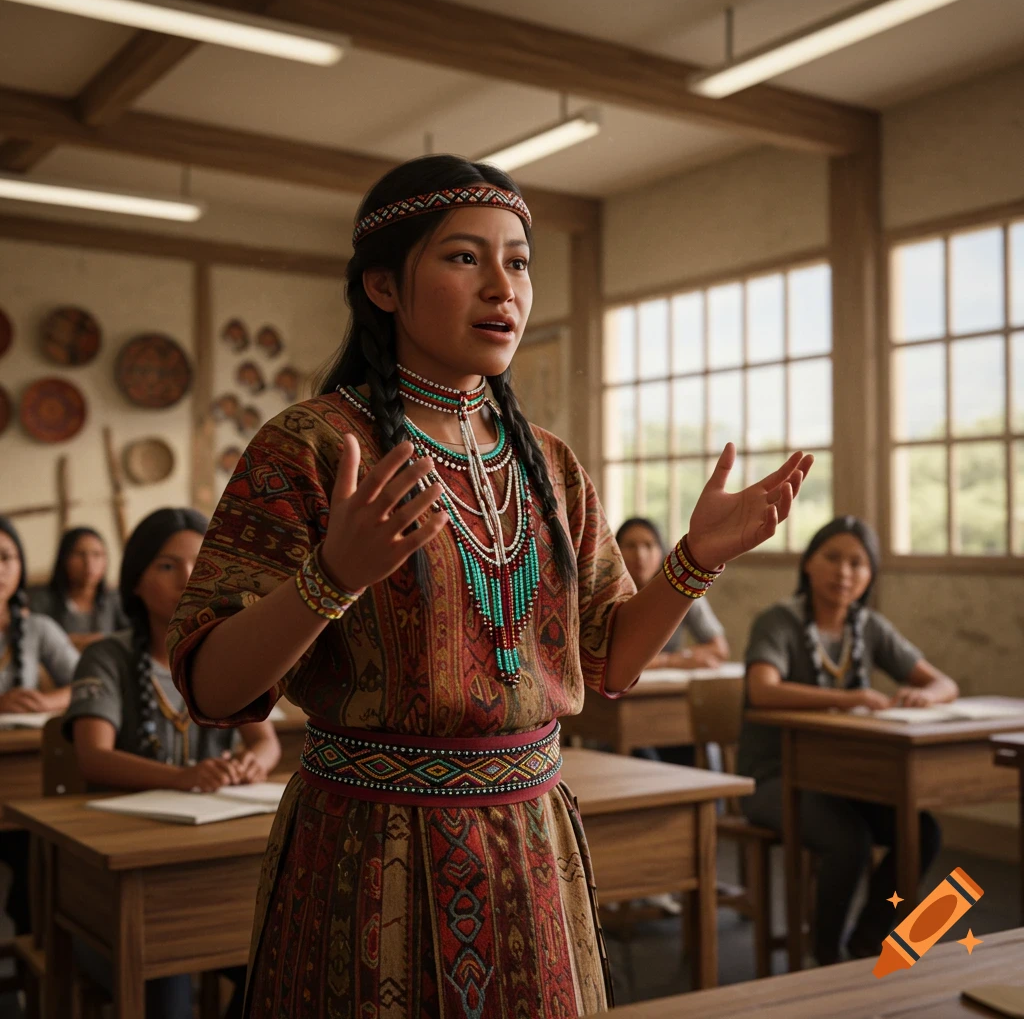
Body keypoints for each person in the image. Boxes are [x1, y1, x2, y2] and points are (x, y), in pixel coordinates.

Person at [167, 155, 813, 1018]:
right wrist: (332, 579)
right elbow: (212, 685)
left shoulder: (549, 462)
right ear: (384, 287)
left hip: (530, 845)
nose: (502, 286)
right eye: (464, 258)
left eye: (518, 261)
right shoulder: (313, 445)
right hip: (368, 849)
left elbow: (610, 661)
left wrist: (697, 559)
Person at [65, 508, 280, 1019]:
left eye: (198, 562)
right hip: (125, 869)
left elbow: (267, 744)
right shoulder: (106, 657)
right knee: (165, 979)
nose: (188, 577)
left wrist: (253, 762)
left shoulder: (224, 653)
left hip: (208, 859)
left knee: (272, 966)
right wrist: (183, 779)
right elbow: (92, 757)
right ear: (135, 579)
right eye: (166, 566)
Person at [737, 516, 959, 966]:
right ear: (807, 564)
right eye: (832, 558)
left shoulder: (869, 626)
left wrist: (924, 694)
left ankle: (869, 939)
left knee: (924, 831)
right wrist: (848, 697)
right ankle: (825, 956)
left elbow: (944, 683)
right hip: (772, 780)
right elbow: (763, 688)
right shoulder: (778, 620)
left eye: (858, 563)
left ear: (871, 575)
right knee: (848, 841)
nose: (844, 572)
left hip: (843, 780)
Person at [0, 515, 80, 937]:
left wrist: (47, 700)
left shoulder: (36, 628)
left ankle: (37, 952)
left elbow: (87, 681)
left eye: (6, 557)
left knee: (37, 863)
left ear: (20, 566)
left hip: (23, 779)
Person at [616, 517, 730, 669]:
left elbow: (719, 650)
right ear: (615, 551)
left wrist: (671, 659)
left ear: (662, 551)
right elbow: (611, 663)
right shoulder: (604, 594)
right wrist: (671, 661)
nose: (640, 555)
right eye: (630, 546)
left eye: (649, 545)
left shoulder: (682, 590)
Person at [31, 526, 127, 648]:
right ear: (64, 559)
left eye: (97, 555)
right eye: (80, 554)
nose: (89, 563)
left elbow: (131, 638)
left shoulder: (115, 599)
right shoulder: (41, 601)